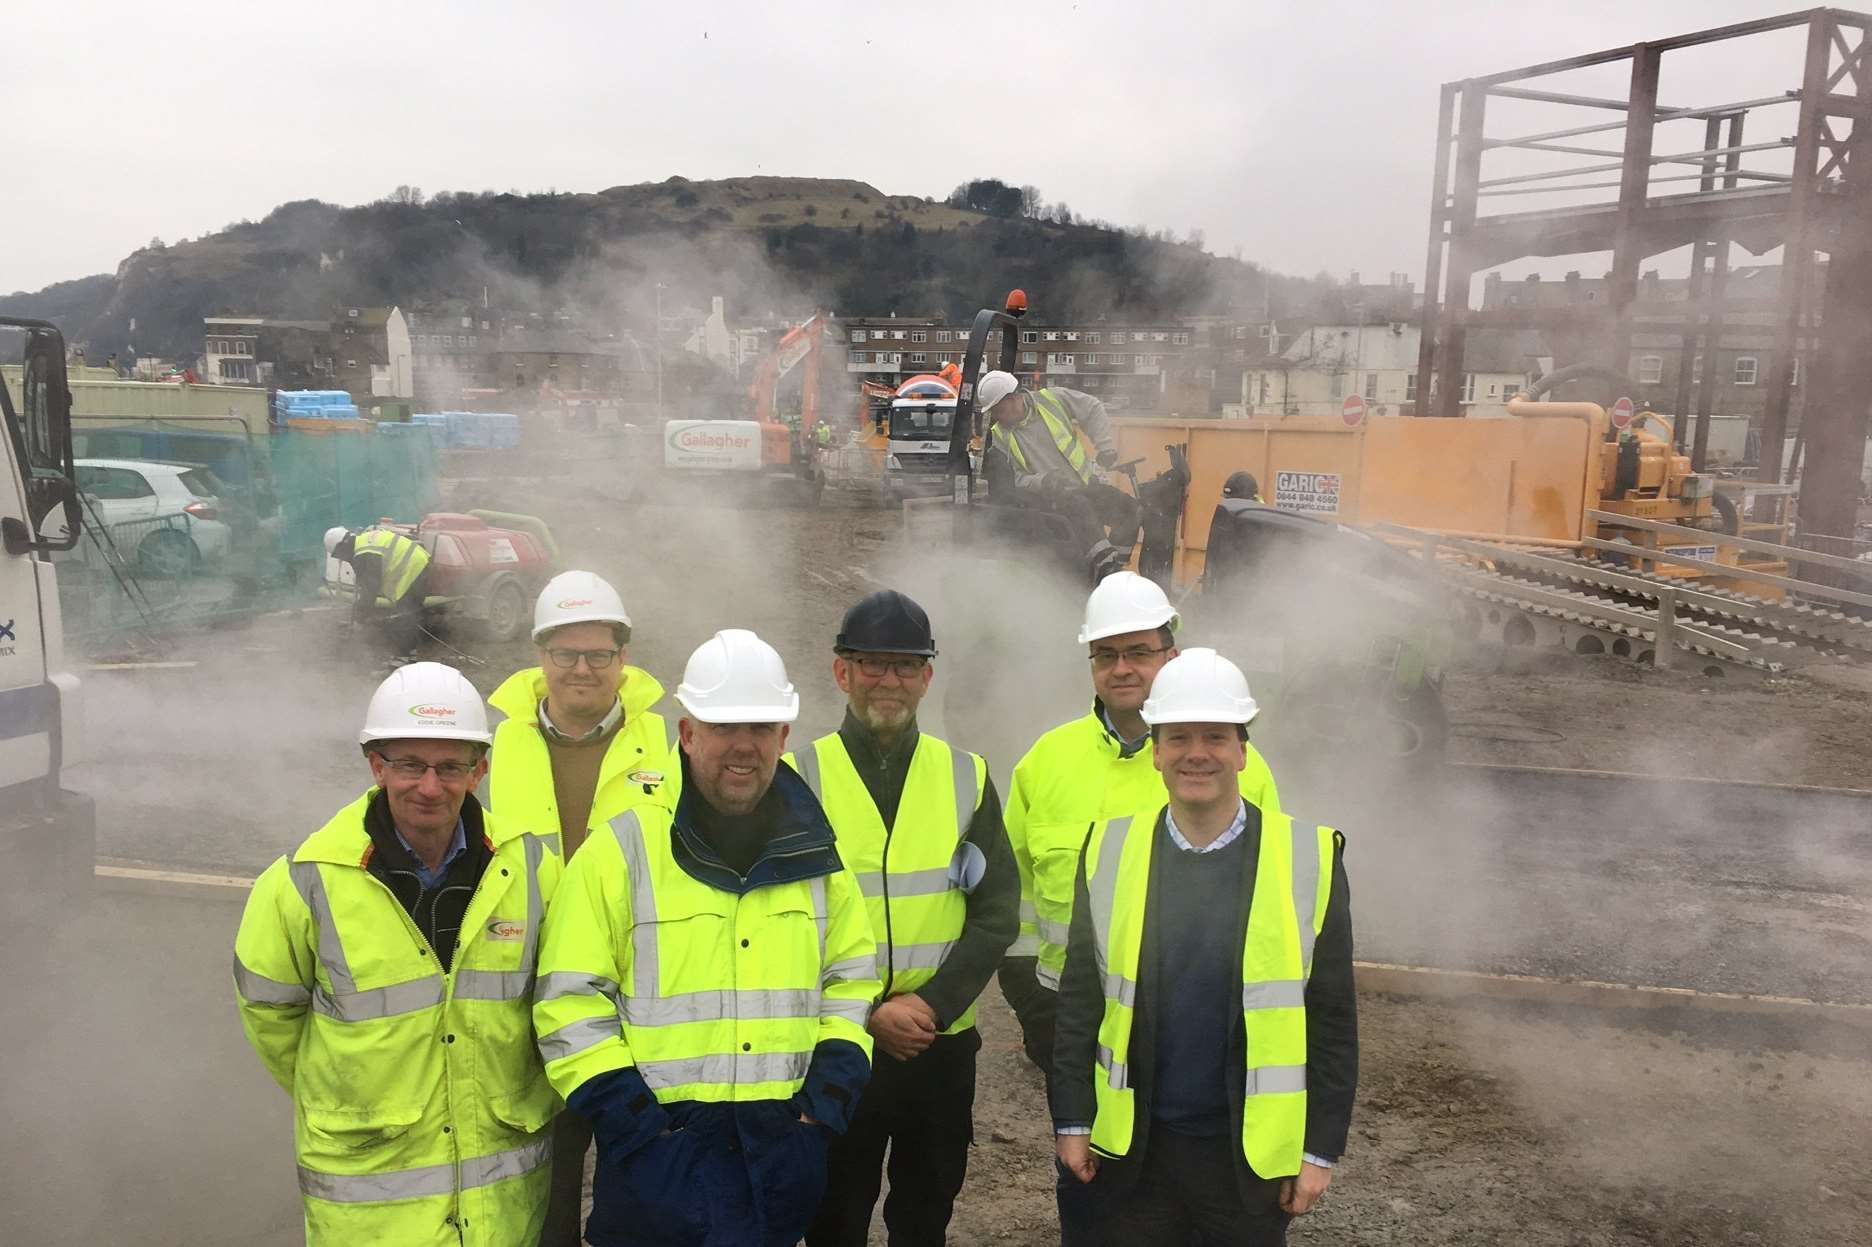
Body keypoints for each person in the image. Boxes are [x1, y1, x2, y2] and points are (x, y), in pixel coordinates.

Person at [533, 629, 881, 1247]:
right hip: (655, 1169)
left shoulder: (820, 860)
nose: (742, 747)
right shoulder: (620, 850)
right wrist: (638, 1128)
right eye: (722, 727)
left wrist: (818, 1110)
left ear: (784, 737)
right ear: (688, 735)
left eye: (760, 727)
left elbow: (850, 981)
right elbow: (569, 1003)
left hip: (778, 1158)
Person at [232, 662, 562, 1245]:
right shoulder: (304, 881)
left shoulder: (534, 868)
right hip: (368, 1205)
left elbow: (557, 1003)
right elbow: (271, 1017)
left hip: (499, 1199)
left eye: (450, 766)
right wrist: (353, 1098)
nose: (430, 786)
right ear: (376, 764)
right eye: (410, 764)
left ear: (479, 770)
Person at [998, 571, 1282, 1237]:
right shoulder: (1047, 762)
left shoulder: (1232, 764)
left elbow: (1272, 910)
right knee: (1100, 1215)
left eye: (1139, 651)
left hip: (1206, 1056)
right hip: (1084, 1048)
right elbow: (1010, 899)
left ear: (1171, 656)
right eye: (1106, 653)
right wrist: (1039, 1008)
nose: (1122, 668)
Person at [1051, 648, 1357, 1245]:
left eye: (1216, 737)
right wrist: (1071, 1119)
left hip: (1245, 1166)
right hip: (1135, 1155)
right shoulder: (1110, 849)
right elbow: (1080, 1002)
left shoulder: (1309, 858)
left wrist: (1320, 1150)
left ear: (1243, 751)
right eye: (1179, 737)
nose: (1197, 753)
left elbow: (1333, 1018)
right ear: (1157, 751)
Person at [793, 591, 1020, 1247]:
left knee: (925, 1214)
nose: (888, 680)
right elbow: (782, 924)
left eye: (904, 665)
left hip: (938, 1046)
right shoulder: (798, 779)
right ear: (842, 672)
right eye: (872, 664)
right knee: (833, 1214)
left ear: (926, 677)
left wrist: (932, 1003)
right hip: (838, 1044)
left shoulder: (966, 777)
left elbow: (997, 909)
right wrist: (868, 1011)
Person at [486, 570, 671, 1246]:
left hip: (634, 997)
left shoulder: (667, 745)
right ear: (541, 656)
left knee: (637, 1168)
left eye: (600, 653)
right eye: (566, 653)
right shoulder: (496, 745)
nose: (583, 668)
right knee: (543, 1175)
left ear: (624, 658)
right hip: (528, 992)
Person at [976, 369, 1142, 580]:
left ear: (1013, 398)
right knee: (1081, 506)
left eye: (999, 410)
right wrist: (1043, 481)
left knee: (1131, 510)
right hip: (1051, 498)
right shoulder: (1000, 436)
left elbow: (1092, 408)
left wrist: (1105, 447)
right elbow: (1015, 479)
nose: (997, 417)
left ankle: (1116, 567)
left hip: (1086, 486)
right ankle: (1107, 572)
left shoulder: (1053, 399)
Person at [330, 523, 432, 658]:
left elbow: (371, 589)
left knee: (405, 616)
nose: (343, 559)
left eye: (339, 555)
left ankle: (403, 658)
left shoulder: (364, 553)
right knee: (407, 615)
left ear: (343, 545)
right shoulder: (365, 542)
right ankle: (407, 655)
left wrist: (359, 618)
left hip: (412, 568)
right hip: (418, 561)